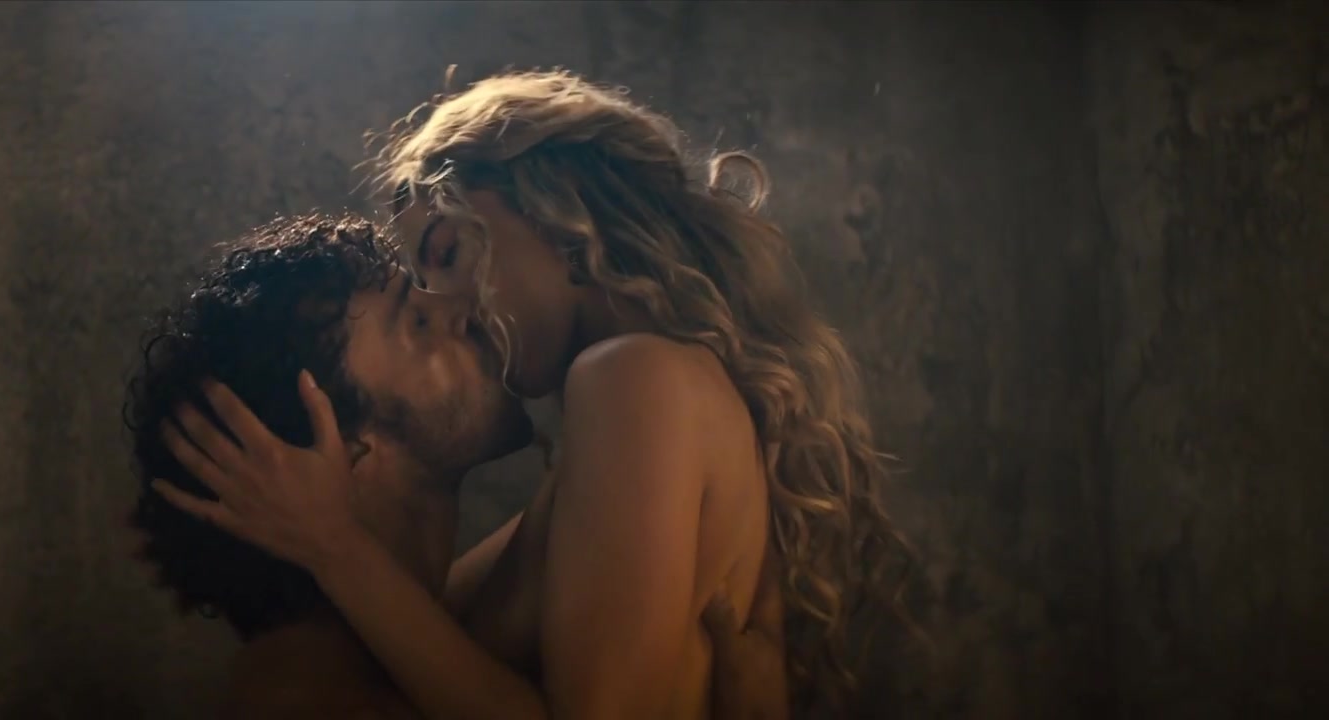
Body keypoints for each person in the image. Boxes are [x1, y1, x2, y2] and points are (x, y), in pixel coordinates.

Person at [154, 70, 916, 719]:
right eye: (422, 292)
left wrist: (336, 549)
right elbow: (412, 638)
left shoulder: (633, 376)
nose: (451, 305)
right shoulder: (634, 416)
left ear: (559, 213)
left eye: (446, 253)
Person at [129, 214, 785, 718]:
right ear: (344, 454)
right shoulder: (315, 701)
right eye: (417, 323)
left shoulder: (427, 627)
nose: (462, 306)